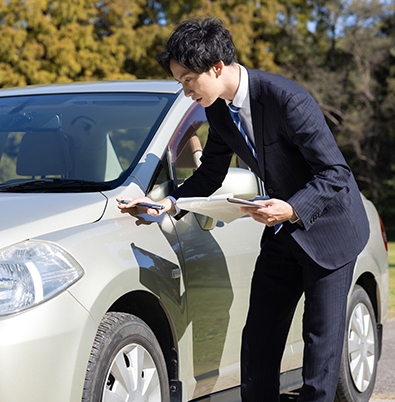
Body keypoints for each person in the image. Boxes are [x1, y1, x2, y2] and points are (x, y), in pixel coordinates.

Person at [117, 17, 370, 402]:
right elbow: (211, 174)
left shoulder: (288, 100)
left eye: (188, 80)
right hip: (282, 235)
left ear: (216, 67)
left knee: (320, 350)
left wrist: (291, 209)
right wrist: (166, 203)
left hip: (330, 229)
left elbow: (335, 172)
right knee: (258, 342)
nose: (185, 91)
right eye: (180, 82)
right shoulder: (218, 110)